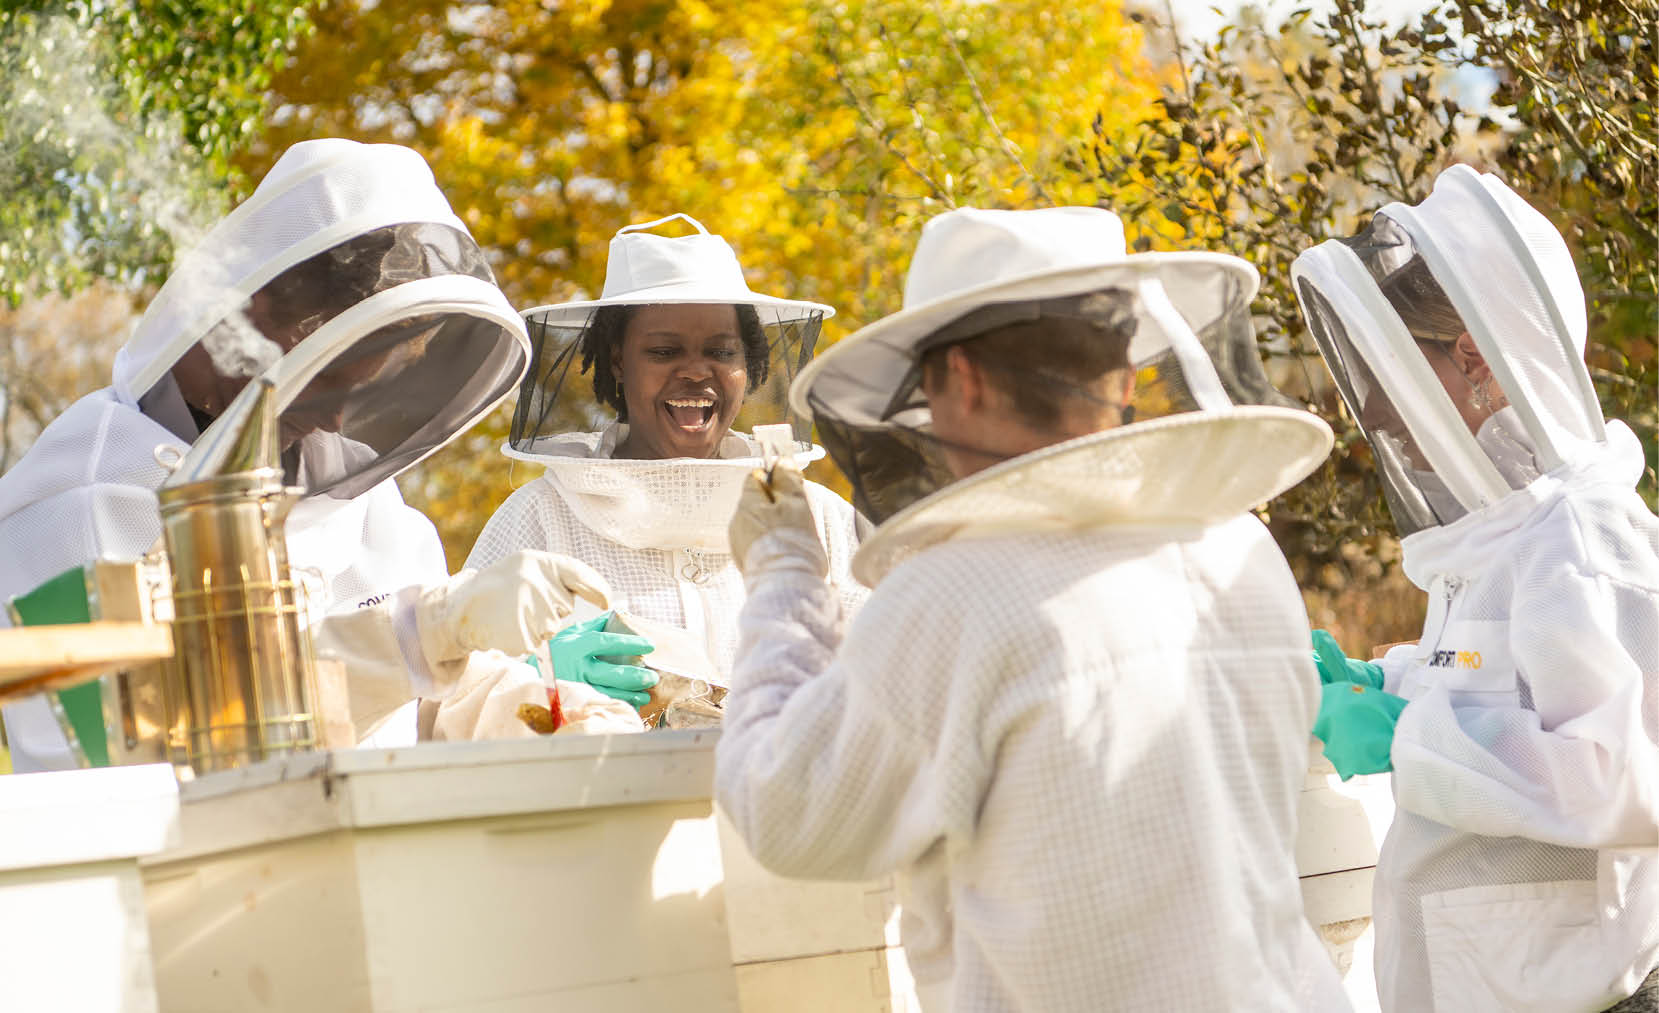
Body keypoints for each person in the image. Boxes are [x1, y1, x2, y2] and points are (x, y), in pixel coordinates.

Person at [715, 205, 1349, 1010]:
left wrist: (782, 570)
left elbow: (788, 809)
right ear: (1122, 379)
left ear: (962, 379)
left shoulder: (957, 591)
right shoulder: (1240, 551)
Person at [0, 138, 626, 769]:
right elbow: (149, 749)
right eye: (330, 379)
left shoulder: (356, 496)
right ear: (251, 315)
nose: (334, 420)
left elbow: (425, 709)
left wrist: (534, 715)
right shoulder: (81, 506)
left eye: (366, 391)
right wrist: (418, 636)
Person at [1291, 163, 1659, 1012]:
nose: (1375, 410)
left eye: (1387, 368)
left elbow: (1622, 777)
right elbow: (1491, 679)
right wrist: (1384, 680)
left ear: (1471, 357)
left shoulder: (1583, 536)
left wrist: (1406, 733)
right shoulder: (1500, 536)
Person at [462, 214, 867, 712]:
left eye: (721, 351)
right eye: (663, 351)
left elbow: (895, 677)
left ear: (747, 366)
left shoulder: (816, 518)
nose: (696, 371)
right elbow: (453, 692)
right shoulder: (539, 517)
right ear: (618, 361)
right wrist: (534, 680)